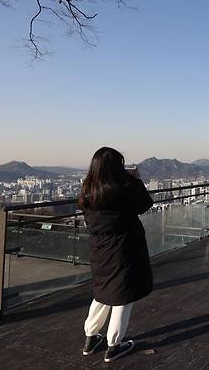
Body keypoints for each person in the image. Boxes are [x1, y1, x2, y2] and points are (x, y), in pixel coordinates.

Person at [77, 147, 154, 362]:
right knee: (123, 297)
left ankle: (90, 338)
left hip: (99, 249)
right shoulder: (122, 188)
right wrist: (136, 180)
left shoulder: (88, 190)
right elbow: (145, 204)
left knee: (102, 293)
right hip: (124, 248)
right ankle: (114, 344)